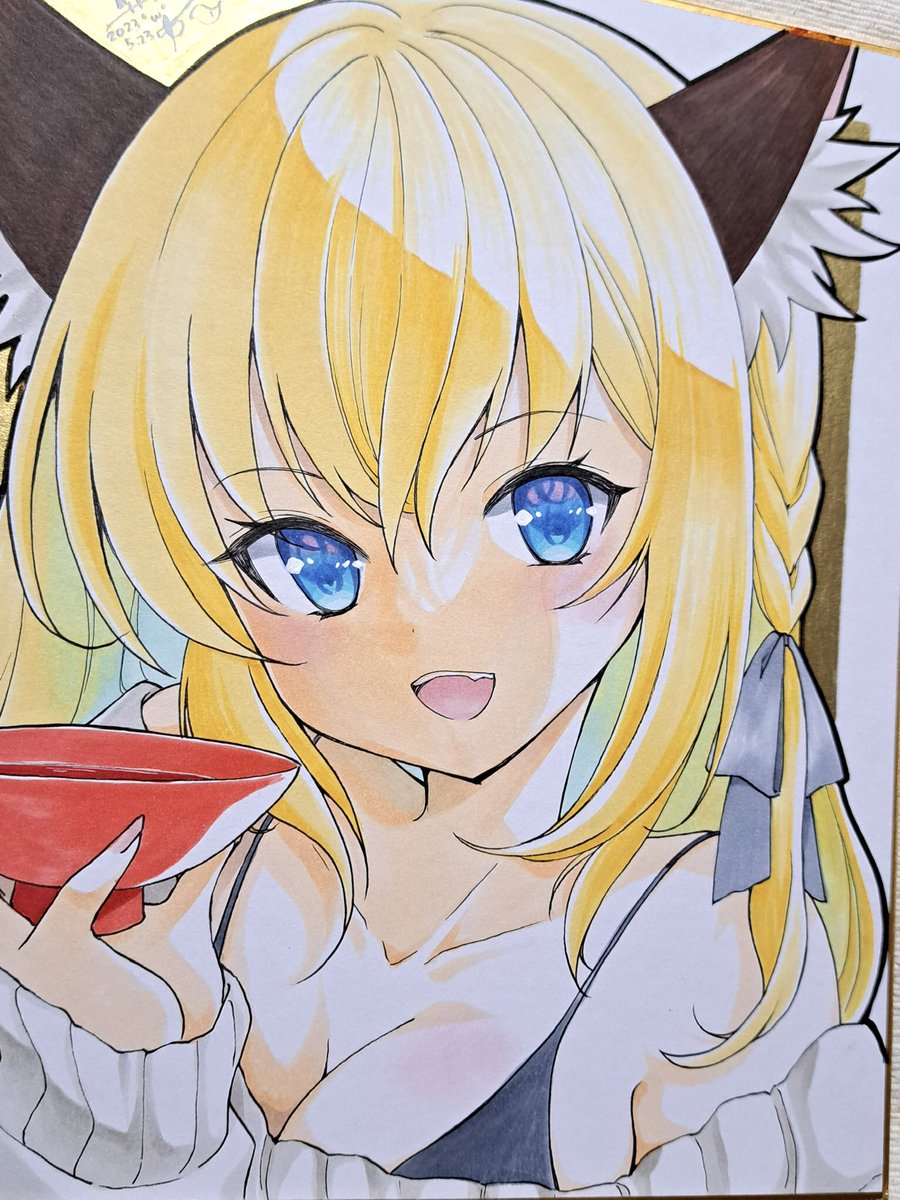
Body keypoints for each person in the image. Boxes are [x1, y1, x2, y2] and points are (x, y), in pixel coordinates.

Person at [0, 0, 891, 1194]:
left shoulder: (709, 963)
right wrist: (114, 1073)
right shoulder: (147, 860)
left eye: (550, 509)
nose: (435, 629)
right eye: (305, 556)